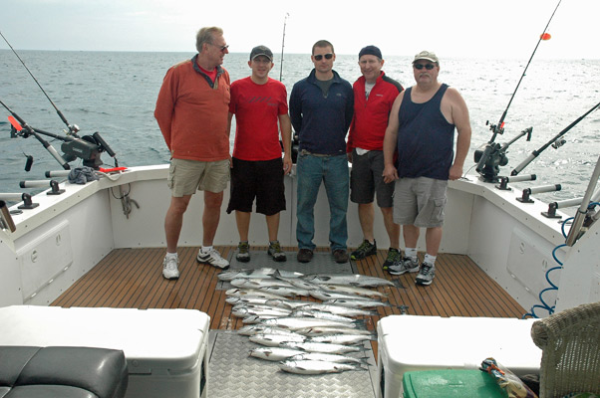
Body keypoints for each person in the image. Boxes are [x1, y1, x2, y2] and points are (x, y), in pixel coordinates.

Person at [382, 51, 472, 285]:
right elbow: (391, 131)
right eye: (419, 65)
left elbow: (465, 130)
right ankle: (410, 258)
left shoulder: (450, 95)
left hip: (435, 173)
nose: (423, 70)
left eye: (428, 66)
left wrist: (458, 164)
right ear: (413, 69)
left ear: (437, 69)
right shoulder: (403, 96)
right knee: (407, 219)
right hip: (405, 172)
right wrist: (389, 164)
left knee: (433, 221)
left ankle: (429, 263)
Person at [155, 26, 231, 280]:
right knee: (179, 205)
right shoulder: (178, 72)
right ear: (205, 47)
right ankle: (171, 256)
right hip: (186, 156)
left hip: (218, 155)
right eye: (222, 47)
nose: (226, 51)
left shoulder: (224, 75)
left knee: (215, 202)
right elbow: (162, 113)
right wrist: (175, 147)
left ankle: (206, 251)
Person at [289, 40, 354, 264]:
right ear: (312, 59)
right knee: (304, 206)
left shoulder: (345, 88)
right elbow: (295, 118)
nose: (323, 61)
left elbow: (347, 119)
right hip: (309, 158)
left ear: (334, 57)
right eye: (319, 57)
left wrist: (335, 137)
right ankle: (305, 246)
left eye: (327, 56)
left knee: (340, 207)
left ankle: (338, 246)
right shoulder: (300, 88)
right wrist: (309, 135)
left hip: (337, 158)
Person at [226, 45, 292, 263]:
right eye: (257, 61)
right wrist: (225, 149)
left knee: (272, 204)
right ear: (249, 64)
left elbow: (284, 119)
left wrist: (288, 154)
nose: (261, 65)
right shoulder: (236, 87)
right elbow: (227, 118)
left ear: (272, 65)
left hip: (272, 157)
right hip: (242, 158)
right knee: (242, 203)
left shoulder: (279, 88)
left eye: (266, 61)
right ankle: (243, 243)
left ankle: (273, 243)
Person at [347, 45, 403, 270]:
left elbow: (400, 126)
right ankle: (369, 242)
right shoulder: (356, 85)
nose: (367, 66)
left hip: (383, 156)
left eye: (371, 61)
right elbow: (353, 119)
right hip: (359, 153)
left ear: (381, 63)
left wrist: (393, 162)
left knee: (387, 205)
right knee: (363, 201)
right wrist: (350, 146)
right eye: (363, 62)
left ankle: (394, 249)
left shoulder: (393, 88)